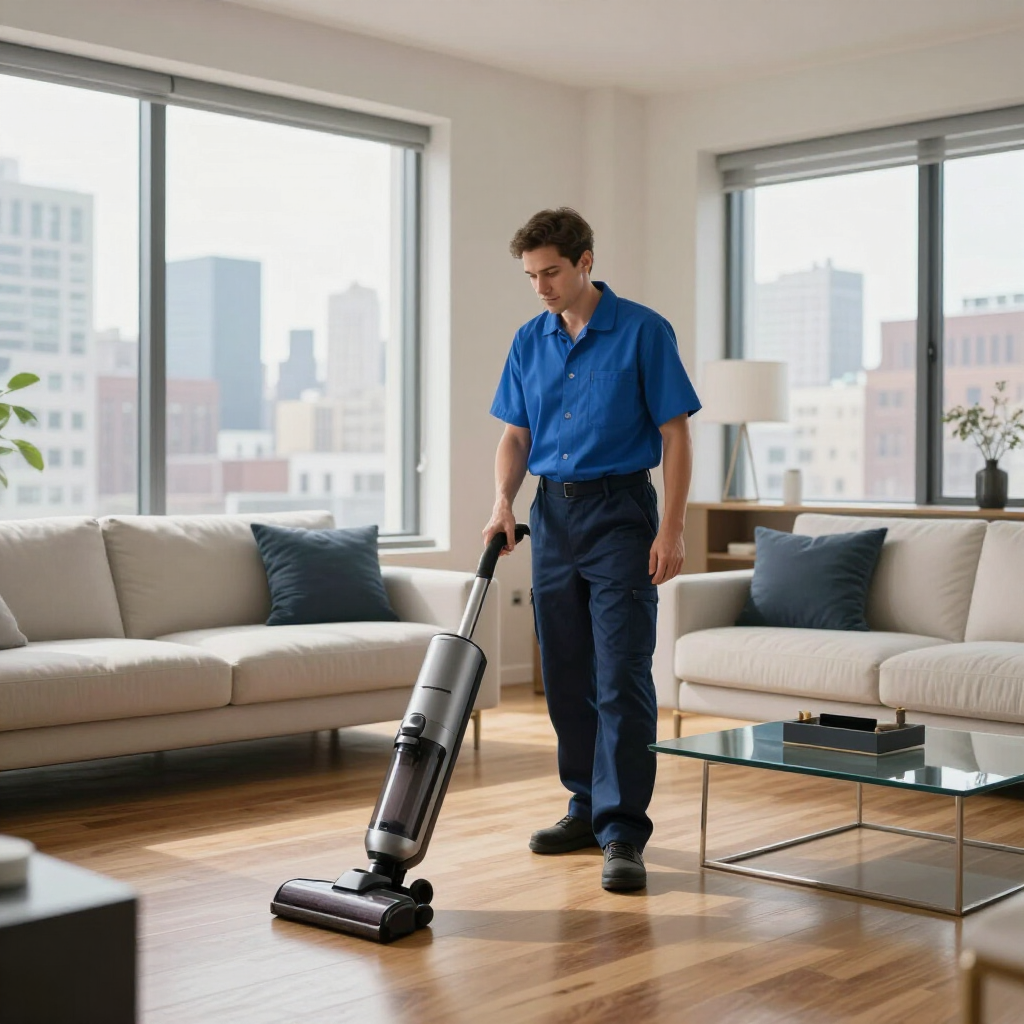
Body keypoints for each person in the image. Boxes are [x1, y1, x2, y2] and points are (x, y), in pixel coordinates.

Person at [484, 207, 700, 892]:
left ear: (585, 261)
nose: (541, 287)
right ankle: (584, 806)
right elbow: (516, 436)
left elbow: (675, 434)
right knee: (566, 671)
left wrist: (672, 529)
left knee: (621, 674)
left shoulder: (643, 331)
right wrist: (502, 503)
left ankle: (623, 830)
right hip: (552, 515)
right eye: (531, 276)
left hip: (621, 514)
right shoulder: (529, 340)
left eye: (551, 272)